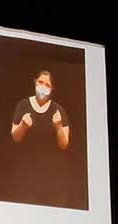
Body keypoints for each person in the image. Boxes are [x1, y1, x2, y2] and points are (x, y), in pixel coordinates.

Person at [8, 70, 72, 206]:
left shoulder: (59, 110)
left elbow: (64, 144)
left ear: (52, 88)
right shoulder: (23, 105)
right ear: (35, 82)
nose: (43, 86)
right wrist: (23, 126)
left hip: (54, 183)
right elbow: (15, 137)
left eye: (47, 85)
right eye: (40, 82)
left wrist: (59, 127)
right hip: (25, 180)